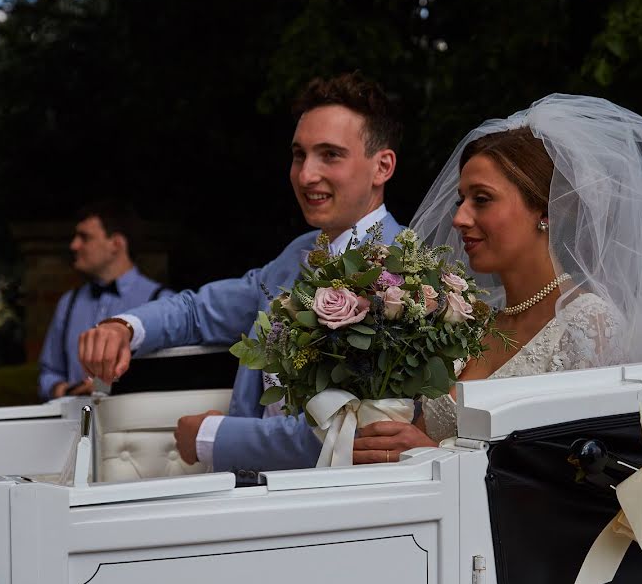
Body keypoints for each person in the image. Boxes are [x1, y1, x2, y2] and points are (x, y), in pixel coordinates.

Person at [78, 72, 405, 480]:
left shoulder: (403, 279)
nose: (305, 175)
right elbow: (199, 311)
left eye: (330, 155)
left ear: (382, 166)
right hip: (253, 492)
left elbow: (351, 436)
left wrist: (211, 437)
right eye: (299, 155)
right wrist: (124, 327)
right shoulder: (298, 255)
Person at [353, 94, 642, 463]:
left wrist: (433, 456)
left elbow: (570, 471)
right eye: (461, 200)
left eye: (482, 199)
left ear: (545, 210)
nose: (459, 218)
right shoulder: (469, 321)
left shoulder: (589, 325)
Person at [38, 200, 174, 400]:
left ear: (116, 244)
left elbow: (171, 378)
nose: (74, 245)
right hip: (76, 423)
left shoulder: (163, 301)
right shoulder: (69, 302)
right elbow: (49, 373)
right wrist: (68, 391)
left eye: (85, 237)